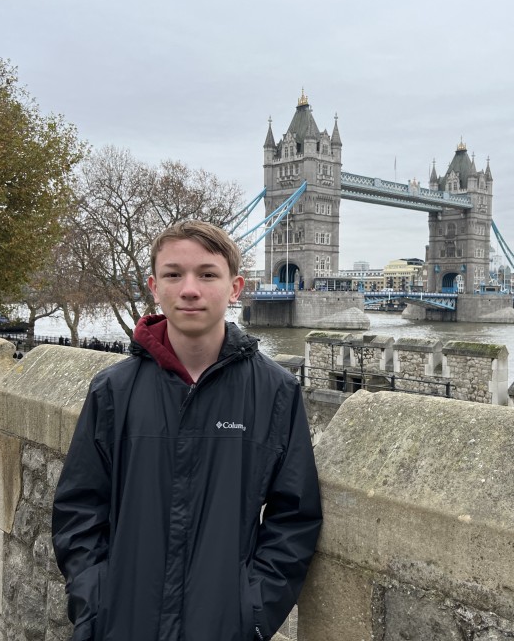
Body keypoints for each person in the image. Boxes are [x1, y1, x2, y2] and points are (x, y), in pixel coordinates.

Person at [52, 221, 322, 641]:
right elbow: (79, 509)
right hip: (121, 624)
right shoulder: (112, 391)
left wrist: (252, 613)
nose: (190, 289)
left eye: (207, 274)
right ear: (154, 287)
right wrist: (95, 604)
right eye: (174, 274)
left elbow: (294, 518)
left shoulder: (276, 393)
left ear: (235, 288)